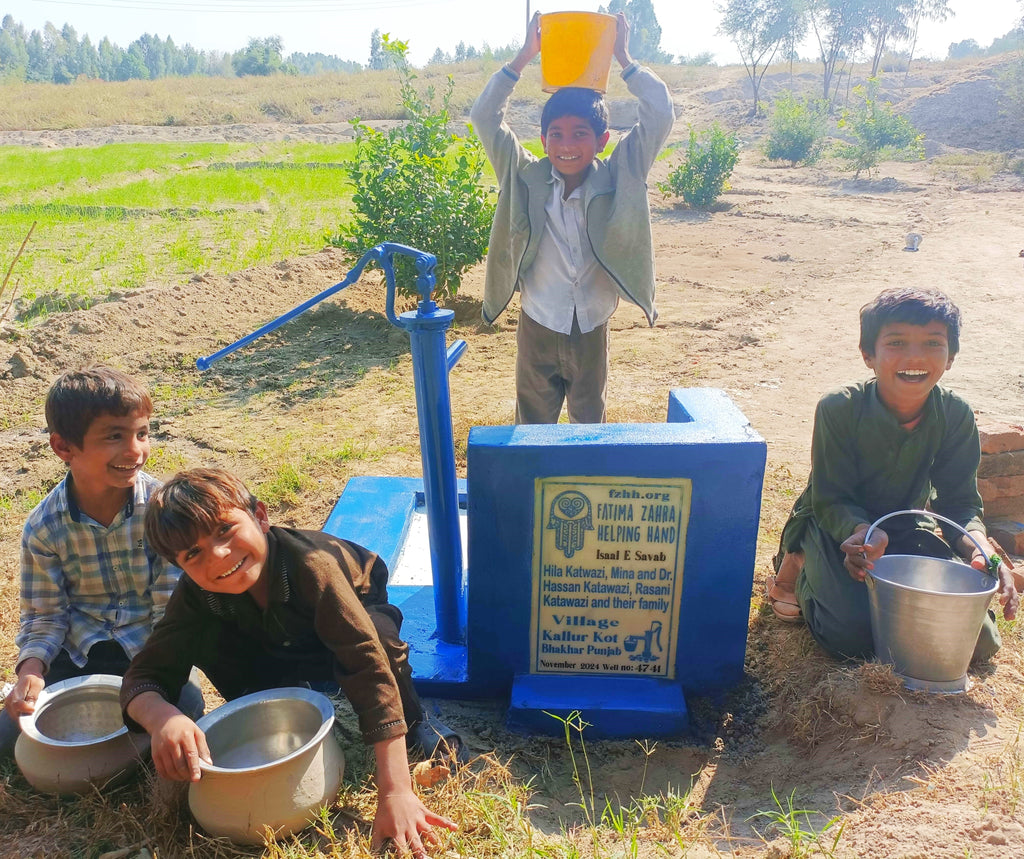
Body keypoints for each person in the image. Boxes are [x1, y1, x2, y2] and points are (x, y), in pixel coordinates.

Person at [121, 467, 460, 856]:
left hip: (355, 608)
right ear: (180, 567)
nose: (217, 556)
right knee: (206, 636)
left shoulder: (311, 566)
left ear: (261, 516)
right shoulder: (197, 594)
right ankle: (271, 706)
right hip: (280, 633)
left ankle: (416, 720)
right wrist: (163, 717)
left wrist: (396, 789)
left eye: (224, 530)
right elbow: (143, 675)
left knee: (379, 644)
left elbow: (365, 664)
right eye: (193, 553)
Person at [765, 287, 1018, 661]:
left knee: (978, 644)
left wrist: (982, 551)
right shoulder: (840, 408)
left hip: (905, 526)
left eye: (933, 343)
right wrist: (862, 532)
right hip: (838, 528)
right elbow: (831, 497)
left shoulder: (956, 415)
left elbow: (960, 503)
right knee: (850, 639)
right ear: (869, 355)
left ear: (950, 357)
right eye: (897, 342)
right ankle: (800, 565)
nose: (915, 357)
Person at [470, 11, 674, 424]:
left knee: (588, 429)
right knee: (531, 429)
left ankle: (581, 488)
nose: (566, 145)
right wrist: (524, 56)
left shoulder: (621, 174)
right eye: (556, 134)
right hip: (538, 325)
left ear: (601, 140)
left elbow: (660, 113)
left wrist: (624, 58)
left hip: (592, 327)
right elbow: (484, 117)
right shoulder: (523, 174)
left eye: (580, 134)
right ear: (543, 139)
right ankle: (533, 487)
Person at [1, 367, 202, 756]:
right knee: (11, 736)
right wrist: (31, 670)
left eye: (142, 433)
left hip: (150, 648)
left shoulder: (163, 511)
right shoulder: (44, 527)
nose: (135, 450)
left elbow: (171, 607)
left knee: (185, 708)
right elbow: (44, 615)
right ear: (63, 448)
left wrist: (154, 679)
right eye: (115, 436)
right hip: (79, 650)